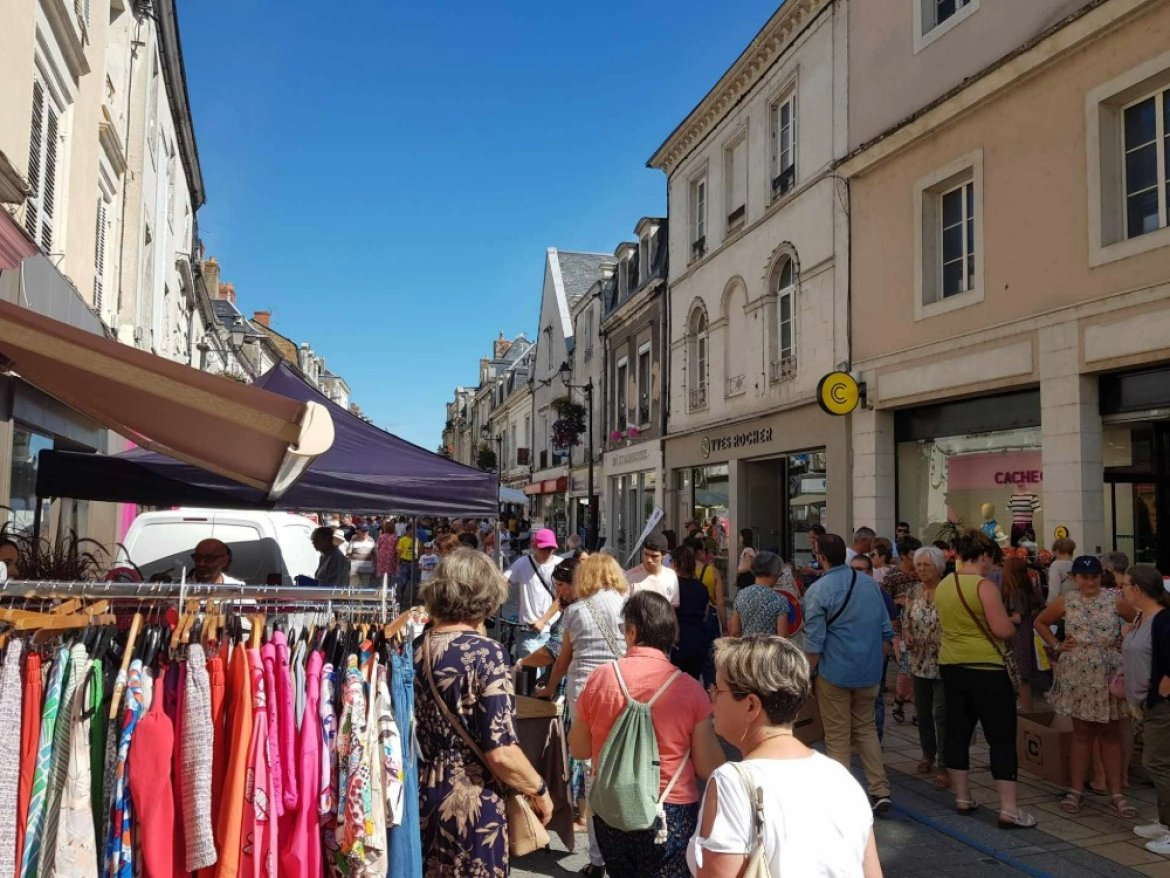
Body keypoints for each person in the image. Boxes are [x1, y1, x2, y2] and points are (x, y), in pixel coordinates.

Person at [688, 636, 883, 877]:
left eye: (717, 689)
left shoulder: (732, 783)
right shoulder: (842, 778)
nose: (711, 697)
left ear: (751, 705)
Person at [414, 548, 553, 875]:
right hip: (471, 798)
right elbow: (501, 750)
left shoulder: (416, 648)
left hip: (421, 791)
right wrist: (539, 790)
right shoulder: (487, 653)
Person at [570, 592, 725, 877]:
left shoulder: (601, 677)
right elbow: (708, 766)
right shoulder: (689, 688)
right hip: (668, 812)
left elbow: (578, 748)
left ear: (631, 631)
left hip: (611, 808)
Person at [535, 554, 626, 876]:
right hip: (622, 688)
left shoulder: (575, 611)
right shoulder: (628, 604)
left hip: (585, 691)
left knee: (591, 769)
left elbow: (562, 660)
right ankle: (626, 839)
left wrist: (548, 687)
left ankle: (598, 857)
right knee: (622, 761)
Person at [937, 529, 1034, 827]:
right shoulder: (984, 586)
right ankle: (1009, 809)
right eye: (991, 558)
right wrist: (1013, 623)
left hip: (951, 664)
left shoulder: (944, 585)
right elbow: (1002, 630)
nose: (993, 565)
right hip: (987, 668)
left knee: (958, 731)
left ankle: (963, 797)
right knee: (1001, 737)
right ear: (982, 555)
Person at [1034, 555, 1137, 818]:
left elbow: (1138, 619)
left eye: (1094, 576)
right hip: (1079, 673)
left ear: (1101, 576)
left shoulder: (1114, 600)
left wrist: (1124, 640)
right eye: (1084, 576)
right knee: (1081, 735)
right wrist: (1057, 645)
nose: (1089, 581)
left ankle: (1115, 793)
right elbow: (1040, 622)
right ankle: (1076, 790)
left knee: (1110, 734)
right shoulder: (1066, 601)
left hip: (1107, 674)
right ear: (1074, 578)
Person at [802, 533, 894, 814]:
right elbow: (885, 630)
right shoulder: (869, 584)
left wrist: (806, 673)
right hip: (868, 670)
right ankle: (880, 790)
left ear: (821, 557)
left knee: (838, 735)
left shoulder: (817, 591)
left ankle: (842, 796)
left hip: (835, 670)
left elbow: (814, 642)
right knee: (865, 729)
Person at [1120, 565, 1170, 854]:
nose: (1122, 590)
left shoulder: (1162, 621)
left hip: (1161, 705)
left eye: (1125, 585)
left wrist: (1161, 693)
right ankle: (1165, 820)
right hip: (1147, 703)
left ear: (1137, 589)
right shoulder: (1143, 618)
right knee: (1158, 762)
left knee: (1157, 763)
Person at [903, 547, 950, 790]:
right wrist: (907, 634)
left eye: (927, 565)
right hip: (919, 660)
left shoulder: (947, 591)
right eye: (919, 565)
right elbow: (906, 622)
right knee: (922, 711)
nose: (921, 569)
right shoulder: (913, 593)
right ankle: (927, 753)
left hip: (943, 660)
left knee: (941, 713)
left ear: (939, 567)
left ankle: (944, 762)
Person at [505, 527, 563, 660]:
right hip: (529, 631)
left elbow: (562, 598)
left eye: (551, 548)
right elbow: (503, 582)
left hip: (554, 631)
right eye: (544, 548)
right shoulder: (523, 563)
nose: (548, 552)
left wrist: (544, 620)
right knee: (532, 676)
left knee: (550, 677)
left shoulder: (560, 564)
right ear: (534, 546)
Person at [1001, 557, 1045, 712]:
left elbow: (1017, 618)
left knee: (1019, 676)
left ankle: (1026, 712)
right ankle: (1028, 711)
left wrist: (998, 617)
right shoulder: (1029, 588)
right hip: (1027, 634)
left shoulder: (1014, 591)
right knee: (1023, 677)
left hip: (1016, 637)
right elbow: (1040, 606)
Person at [671, 545, 714, 680]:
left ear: (676, 563)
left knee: (676, 683)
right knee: (693, 680)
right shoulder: (702, 588)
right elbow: (706, 613)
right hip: (699, 638)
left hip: (679, 639)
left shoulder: (672, 586)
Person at [728, 552, 790, 638]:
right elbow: (782, 637)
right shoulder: (780, 600)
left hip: (746, 648)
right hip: (769, 650)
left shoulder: (741, 594)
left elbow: (735, 631)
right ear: (774, 573)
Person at [626, 532, 680, 607]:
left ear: (663, 556)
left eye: (654, 556)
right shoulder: (629, 577)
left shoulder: (671, 576)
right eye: (646, 554)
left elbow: (673, 608)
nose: (649, 560)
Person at [1047, 537, 1076, 604]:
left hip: (1062, 603)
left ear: (1057, 551)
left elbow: (1054, 590)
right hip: (1076, 602)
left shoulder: (1055, 565)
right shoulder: (1075, 564)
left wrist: (1049, 604)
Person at [396, 524, 417, 596]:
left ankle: (412, 597)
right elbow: (399, 552)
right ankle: (401, 594)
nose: (413, 532)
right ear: (407, 531)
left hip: (413, 562)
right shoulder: (402, 540)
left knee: (414, 582)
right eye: (412, 530)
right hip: (404, 562)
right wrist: (398, 564)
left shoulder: (416, 540)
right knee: (403, 581)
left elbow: (417, 551)